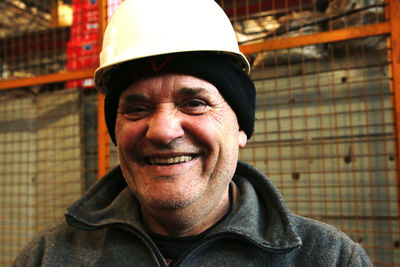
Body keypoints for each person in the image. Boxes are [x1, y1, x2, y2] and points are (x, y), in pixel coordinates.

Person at [13, 0, 373, 266]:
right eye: (137, 109)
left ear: (240, 126)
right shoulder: (48, 257)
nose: (164, 131)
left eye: (194, 103)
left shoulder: (328, 259)